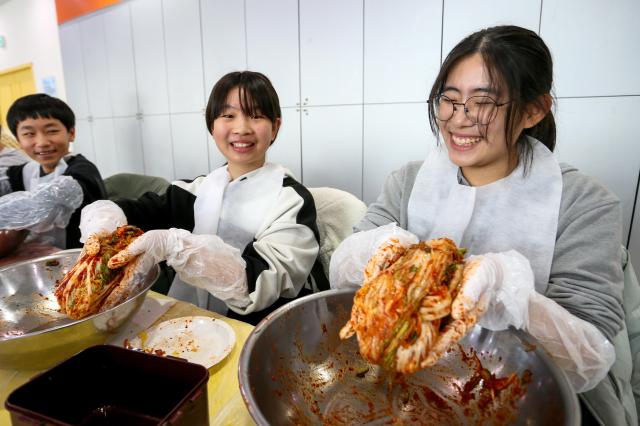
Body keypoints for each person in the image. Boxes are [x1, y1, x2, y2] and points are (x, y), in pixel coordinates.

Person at [330, 25, 633, 424]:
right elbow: (343, 274)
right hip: (415, 380)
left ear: (533, 110)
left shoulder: (585, 202)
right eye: (450, 101)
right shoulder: (407, 182)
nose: (460, 119)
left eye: (483, 102)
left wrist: (506, 290)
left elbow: (588, 359)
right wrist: (373, 249)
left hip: (528, 397)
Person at [80, 71, 328, 325]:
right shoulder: (194, 191)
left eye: (255, 116)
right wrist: (102, 219)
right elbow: (135, 212)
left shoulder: (291, 200)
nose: (241, 128)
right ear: (212, 125)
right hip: (192, 326)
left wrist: (179, 247)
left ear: (275, 127)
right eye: (228, 116)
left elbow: (267, 283)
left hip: (262, 333)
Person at [0, 94, 107, 249]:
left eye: (51, 131)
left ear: (71, 133)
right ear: (18, 141)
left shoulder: (83, 170)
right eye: (29, 134)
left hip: (83, 259)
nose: (42, 143)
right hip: (44, 260)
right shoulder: (24, 172)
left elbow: (46, 201)